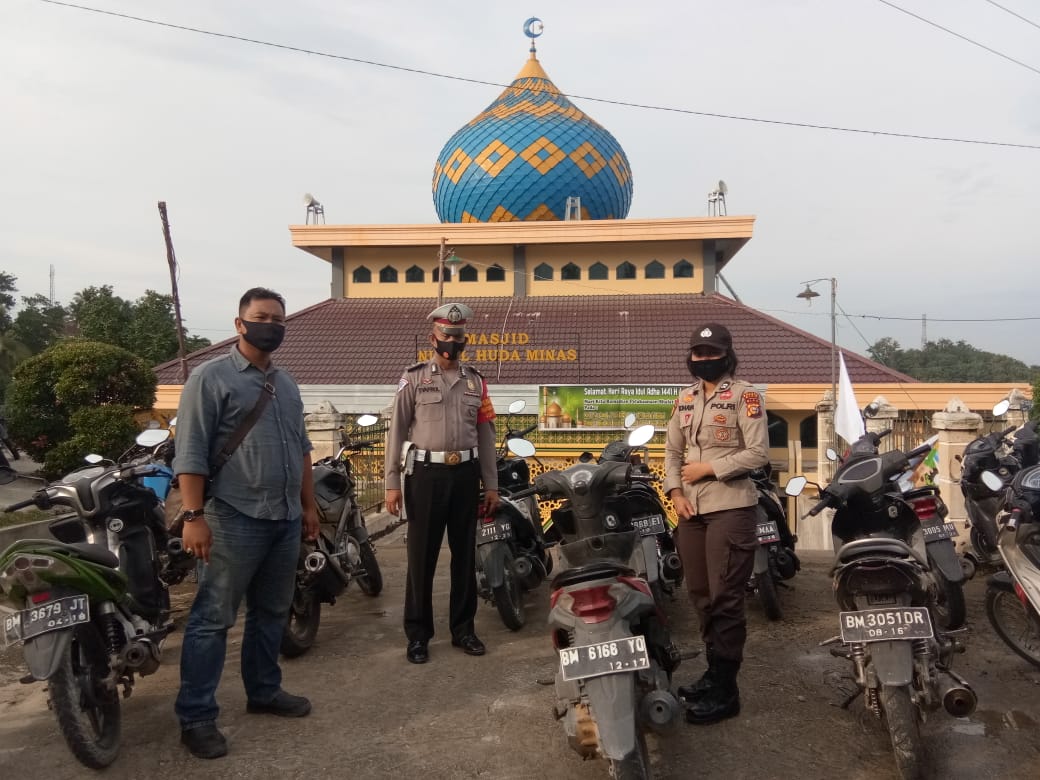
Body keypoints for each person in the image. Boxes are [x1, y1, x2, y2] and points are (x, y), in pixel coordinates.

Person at [172, 287, 319, 759]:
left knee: (272, 613)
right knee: (213, 620)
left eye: (278, 318)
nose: (271, 324)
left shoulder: (288, 383)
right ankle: (196, 716)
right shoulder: (209, 379)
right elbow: (191, 451)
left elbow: (301, 450)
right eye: (261, 317)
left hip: (285, 517)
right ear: (239, 324)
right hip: (232, 516)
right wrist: (193, 516)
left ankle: (264, 691)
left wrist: (309, 507)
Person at [663, 322, 769, 725]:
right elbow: (671, 452)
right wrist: (674, 493)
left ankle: (727, 691)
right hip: (691, 510)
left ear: (727, 355)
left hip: (731, 505)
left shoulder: (746, 396)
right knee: (700, 595)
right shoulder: (684, 399)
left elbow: (758, 453)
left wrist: (710, 468)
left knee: (726, 598)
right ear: (690, 357)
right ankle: (713, 673)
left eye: (711, 353)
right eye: (698, 354)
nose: (704, 360)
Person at [385, 302, 500, 664]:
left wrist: (491, 483)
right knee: (422, 558)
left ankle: (463, 630)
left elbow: (485, 434)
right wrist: (391, 483)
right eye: (447, 335)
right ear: (432, 338)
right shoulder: (414, 378)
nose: (453, 341)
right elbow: (396, 430)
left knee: (465, 556)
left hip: (465, 475)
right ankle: (418, 635)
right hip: (425, 476)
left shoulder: (476, 383)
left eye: (459, 336)